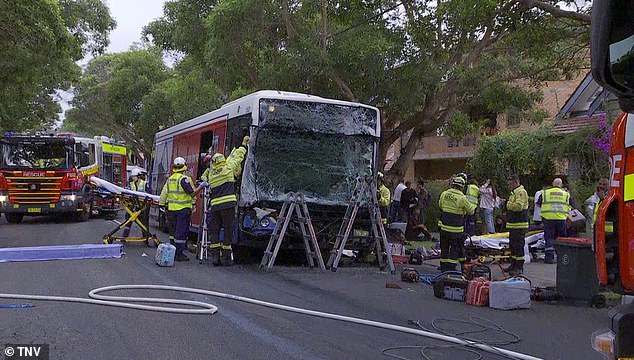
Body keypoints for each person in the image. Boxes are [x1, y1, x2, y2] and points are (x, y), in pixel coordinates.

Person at [208, 136, 249, 266]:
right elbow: (237, 158)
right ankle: (226, 258)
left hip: (215, 207)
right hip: (228, 206)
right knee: (228, 230)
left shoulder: (211, 174)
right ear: (223, 161)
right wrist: (243, 145)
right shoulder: (228, 168)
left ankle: (215, 257)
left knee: (215, 230)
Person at [159, 157, 205, 262]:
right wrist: (200, 187)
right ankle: (179, 254)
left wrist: (161, 204)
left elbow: (164, 192)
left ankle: (172, 251)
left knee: (173, 232)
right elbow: (191, 193)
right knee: (181, 232)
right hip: (182, 210)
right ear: (184, 166)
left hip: (171, 210)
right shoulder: (183, 179)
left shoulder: (170, 179)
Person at [438, 175, 476, 272]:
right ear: (462, 187)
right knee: (454, 250)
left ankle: (443, 268)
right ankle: (451, 269)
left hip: (444, 228)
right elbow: (471, 211)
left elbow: (440, 206)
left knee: (444, 249)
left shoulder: (444, 194)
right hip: (456, 230)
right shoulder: (462, 198)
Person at [538, 178, 571, 264]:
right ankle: (563, 258)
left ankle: (549, 258)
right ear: (561, 185)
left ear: (553, 184)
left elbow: (538, 204)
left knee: (549, 238)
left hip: (548, 219)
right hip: (561, 219)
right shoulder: (566, 194)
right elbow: (571, 205)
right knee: (562, 238)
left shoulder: (545, 193)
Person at [504, 174, 529, 275]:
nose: (509, 186)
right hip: (513, 224)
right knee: (513, 246)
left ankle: (519, 267)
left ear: (516, 182)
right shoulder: (514, 192)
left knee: (518, 246)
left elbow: (519, 206)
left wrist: (508, 205)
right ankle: (513, 265)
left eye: (510, 184)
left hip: (519, 224)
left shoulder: (520, 192)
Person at [122, 168, 148, 239]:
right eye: (132, 177)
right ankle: (124, 237)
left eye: (134, 176)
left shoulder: (144, 184)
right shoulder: (131, 184)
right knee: (128, 219)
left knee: (143, 222)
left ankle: (145, 237)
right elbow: (126, 192)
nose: (133, 178)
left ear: (138, 176)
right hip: (133, 205)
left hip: (142, 206)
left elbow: (149, 194)